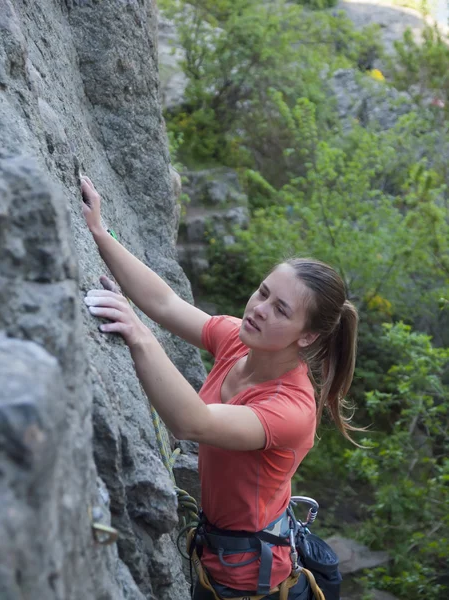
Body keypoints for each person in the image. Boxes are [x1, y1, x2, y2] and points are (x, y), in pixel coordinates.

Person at [80, 175, 359, 600]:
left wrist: (138, 335)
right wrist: (101, 233)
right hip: (222, 560)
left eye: (280, 309)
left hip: (247, 584)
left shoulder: (290, 409)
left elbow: (191, 422)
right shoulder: (238, 339)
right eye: (263, 292)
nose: (259, 310)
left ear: (306, 337)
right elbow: (165, 303)